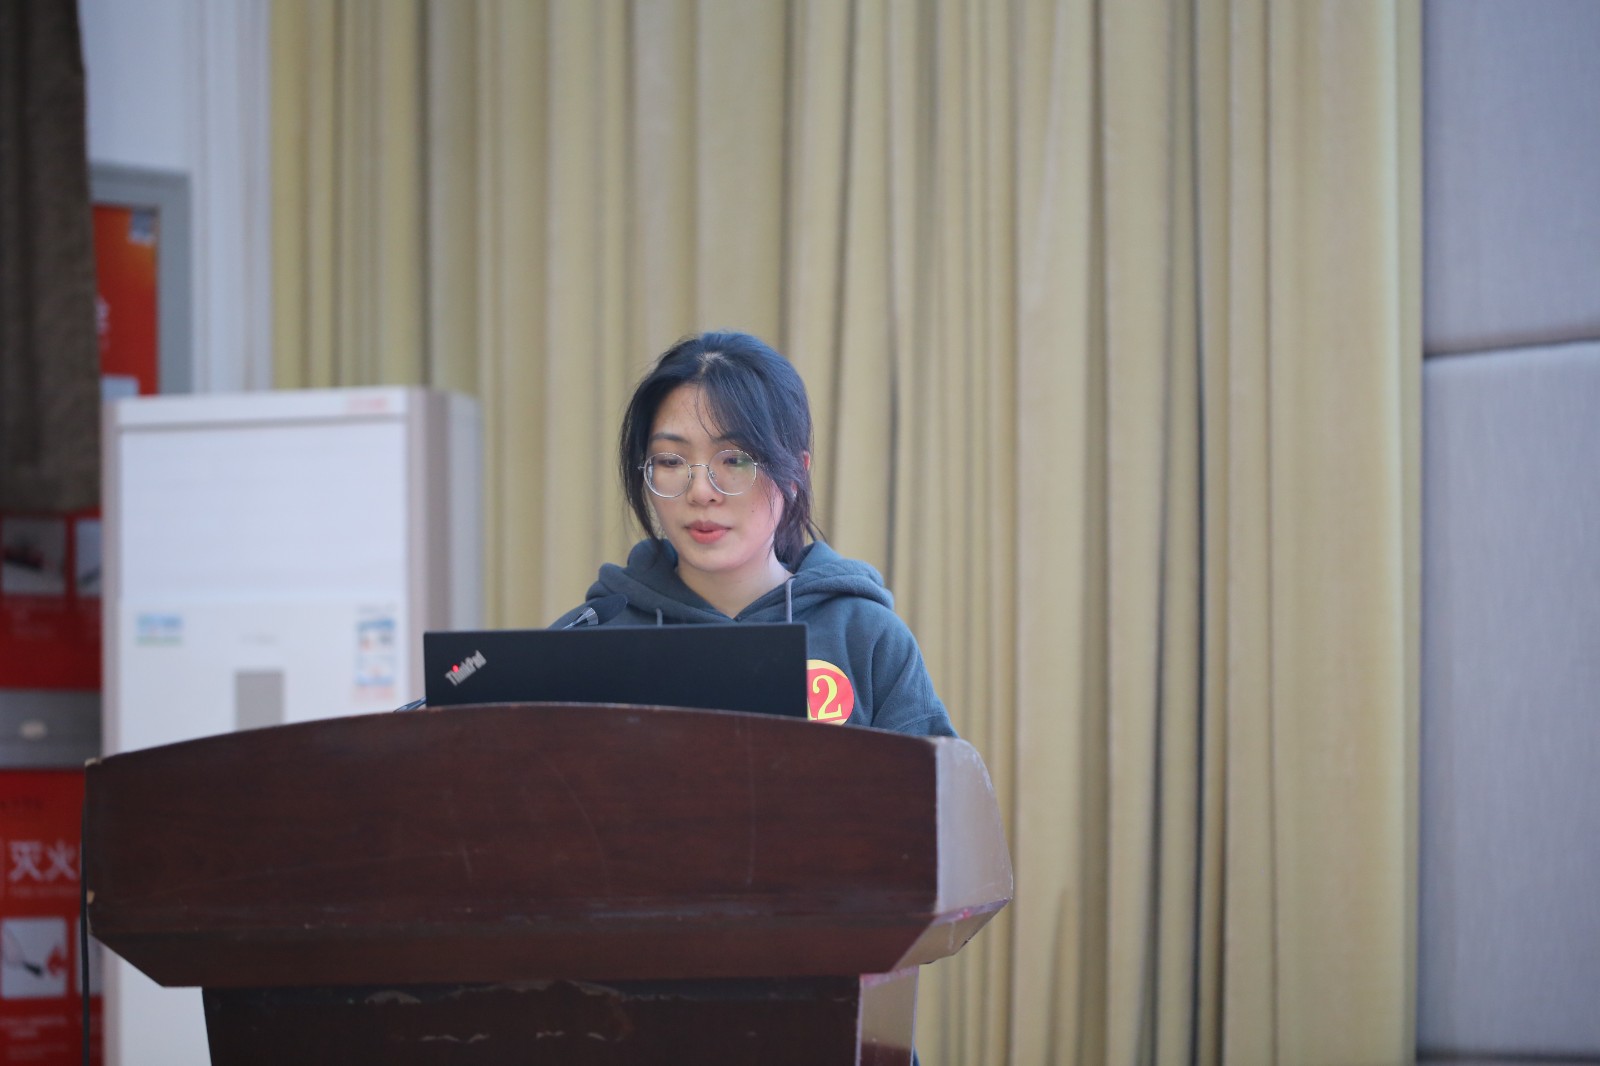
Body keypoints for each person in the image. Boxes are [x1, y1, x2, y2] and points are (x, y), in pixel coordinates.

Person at [552, 330, 955, 738]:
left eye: (735, 460)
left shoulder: (864, 636)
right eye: (671, 461)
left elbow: (939, 777)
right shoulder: (591, 640)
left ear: (794, 474)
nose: (701, 492)